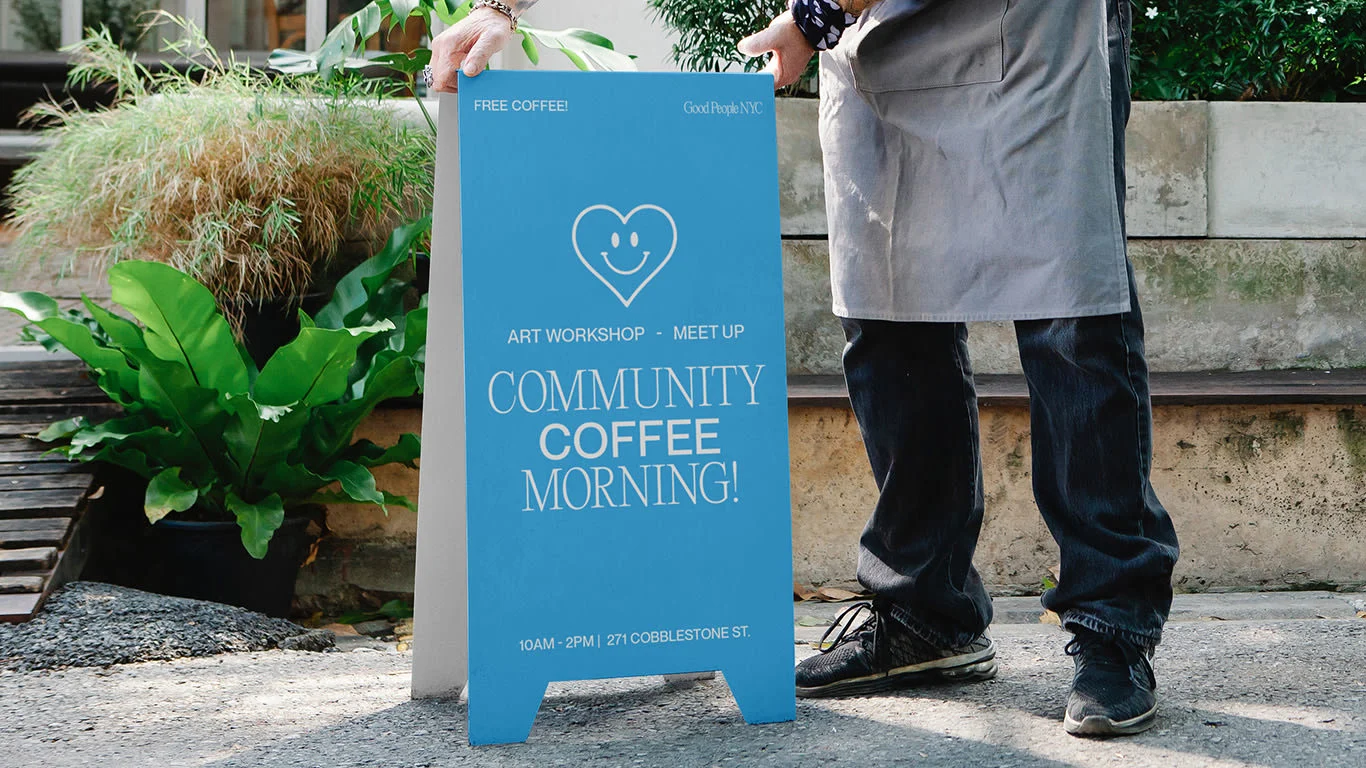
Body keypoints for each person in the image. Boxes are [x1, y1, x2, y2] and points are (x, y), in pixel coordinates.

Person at [430, 0, 1180, 739]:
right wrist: (502, 8)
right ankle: (927, 613)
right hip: (876, 40)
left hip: (1038, 35)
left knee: (1071, 320)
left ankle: (1112, 622)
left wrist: (815, 15)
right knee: (890, 322)